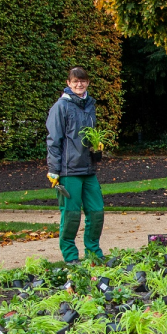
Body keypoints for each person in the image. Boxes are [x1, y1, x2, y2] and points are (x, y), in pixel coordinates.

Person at [46, 66, 104, 265]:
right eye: (75, 81)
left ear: (87, 82)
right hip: (68, 171)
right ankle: (71, 257)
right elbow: (54, 140)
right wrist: (54, 170)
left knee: (96, 212)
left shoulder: (90, 105)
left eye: (83, 80)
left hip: (88, 169)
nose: (79, 84)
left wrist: (97, 149)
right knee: (71, 215)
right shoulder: (61, 107)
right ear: (69, 83)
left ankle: (94, 253)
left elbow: (89, 136)